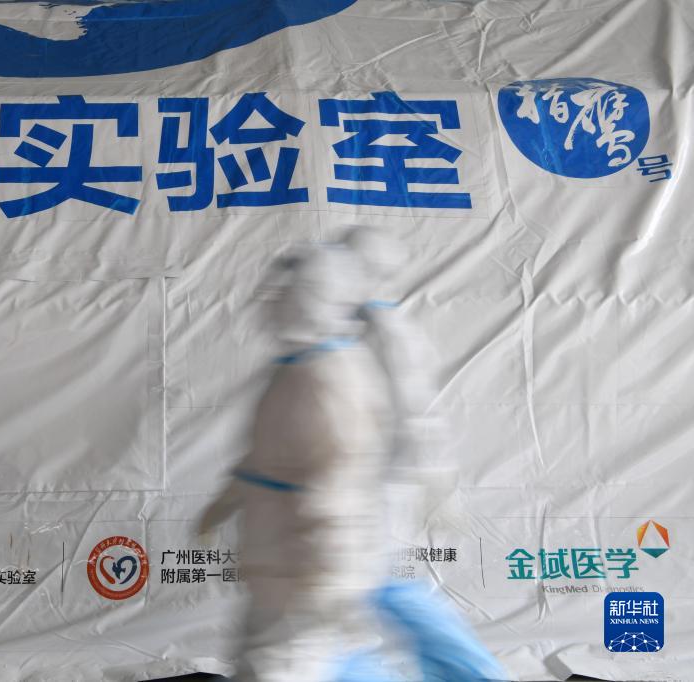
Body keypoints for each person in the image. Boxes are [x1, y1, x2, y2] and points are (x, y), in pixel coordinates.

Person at [198, 229, 506, 682]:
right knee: (337, 631)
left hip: (364, 502)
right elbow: (269, 452)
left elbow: (411, 417)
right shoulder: (302, 362)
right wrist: (229, 498)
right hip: (307, 531)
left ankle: (473, 674)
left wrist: (432, 478)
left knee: (356, 613)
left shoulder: (363, 351)